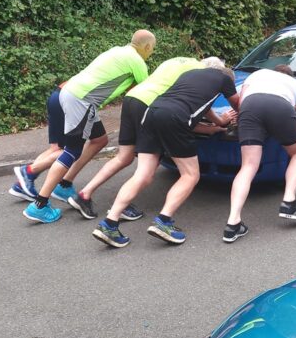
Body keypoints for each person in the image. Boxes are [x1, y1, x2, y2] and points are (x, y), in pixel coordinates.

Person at [92, 65, 239, 248]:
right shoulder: (225, 79)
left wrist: (218, 122)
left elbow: (203, 106)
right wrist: (237, 119)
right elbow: (237, 104)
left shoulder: (190, 74)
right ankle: (164, 221)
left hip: (152, 111)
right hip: (174, 117)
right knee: (190, 175)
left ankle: (110, 223)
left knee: (142, 174)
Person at [19, 30, 155, 224]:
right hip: (81, 100)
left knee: (99, 139)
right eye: (152, 50)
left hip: (73, 93)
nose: (151, 54)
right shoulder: (137, 61)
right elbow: (146, 93)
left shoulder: (117, 51)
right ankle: (39, 205)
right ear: (147, 47)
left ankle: (64, 185)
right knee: (71, 150)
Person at [68, 56, 225, 219]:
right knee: (148, 165)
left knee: (124, 157)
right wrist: (217, 123)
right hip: (151, 105)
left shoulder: (177, 60)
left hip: (132, 99)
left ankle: (85, 194)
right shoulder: (201, 72)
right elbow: (199, 103)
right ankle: (121, 207)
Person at [223, 65, 296, 243]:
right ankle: (289, 203)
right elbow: (293, 114)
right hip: (280, 105)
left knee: (248, 165)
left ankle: (232, 223)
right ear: (289, 76)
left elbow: (239, 103)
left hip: (249, 106)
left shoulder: (258, 74)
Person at [8, 85, 71, 202]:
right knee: (72, 150)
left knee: (56, 148)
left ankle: (23, 184)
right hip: (67, 100)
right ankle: (28, 172)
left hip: (57, 95)